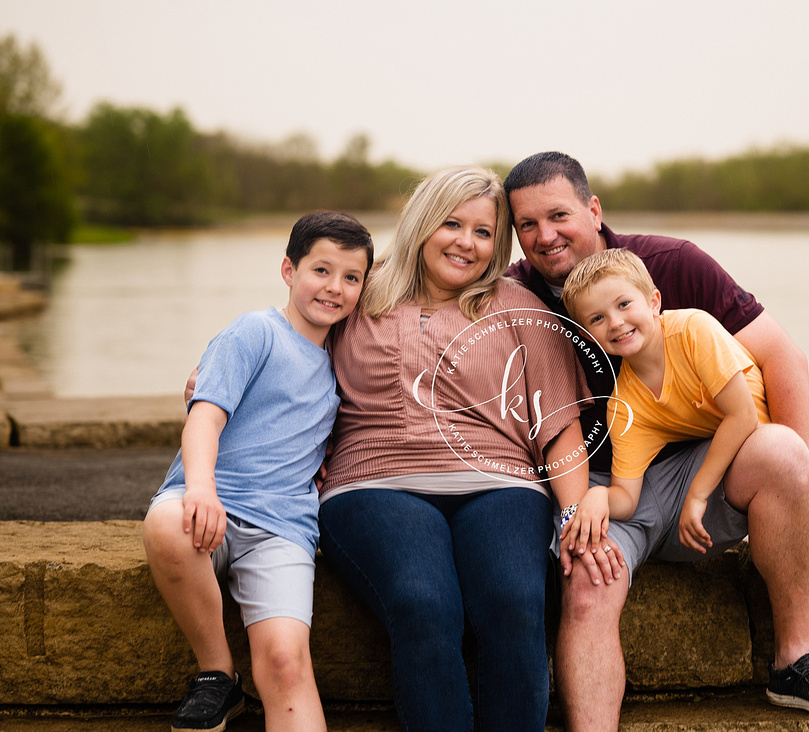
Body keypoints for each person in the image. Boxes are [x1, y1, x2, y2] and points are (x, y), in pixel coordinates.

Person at [502, 151, 809, 727]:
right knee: (588, 583)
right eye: (527, 225)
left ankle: (795, 660)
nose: (545, 236)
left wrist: (804, 486)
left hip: (711, 466)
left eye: (559, 216)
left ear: (594, 210)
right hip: (610, 481)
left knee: (782, 452)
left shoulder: (672, 266)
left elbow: (783, 358)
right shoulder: (515, 295)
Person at [316, 166, 597, 732]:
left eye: (484, 232)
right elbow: (282, 351)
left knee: (517, 604)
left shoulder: (520, 307)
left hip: (500, 483)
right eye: (451, 224)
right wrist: (224, 377)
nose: (466, 243)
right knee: (423, 604)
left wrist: (572, 511)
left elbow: (560, 425)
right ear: (422, 223)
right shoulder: (355, 295)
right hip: (374, 484)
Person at [561, 249, 809, 704]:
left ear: (654, 301)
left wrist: (698, 494)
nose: (617, 322)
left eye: (624, 305)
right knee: (807, 538)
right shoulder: (627, 401)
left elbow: (742, 416)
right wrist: (595, 499)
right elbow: (626, 494)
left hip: (803, 421)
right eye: (598, 318)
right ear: (589, 336)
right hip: (760, 448)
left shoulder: (692, 330)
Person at [144, 211, 374, 732]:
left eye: (351, 277)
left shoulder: (345, 362)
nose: (334, 288)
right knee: (166, 524)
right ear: (289, 271)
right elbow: (204, 417)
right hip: (211, 504)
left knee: (286, 661)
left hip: (283, 529)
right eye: (321, 270)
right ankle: (217, 675)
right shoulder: (255, 332)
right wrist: (201, 487)